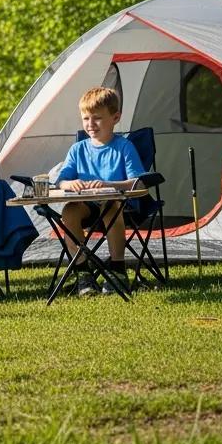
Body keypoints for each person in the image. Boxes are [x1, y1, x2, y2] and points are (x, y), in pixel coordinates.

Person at [54, 86, 145, 297]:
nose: (90, 124)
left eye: (97, 118)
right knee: (69, 211)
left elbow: (139, 183)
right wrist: (70, 184)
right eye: (86, 118)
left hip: (120, 206)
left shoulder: (124, 147)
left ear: (115, 117)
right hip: (88, 205)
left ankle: (117, 270)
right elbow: (61, 181)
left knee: (110, 206)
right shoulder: (78, 149)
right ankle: (83, 273)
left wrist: (110, 184)